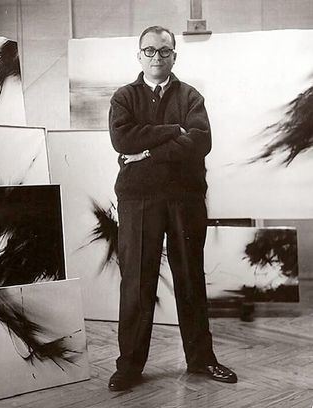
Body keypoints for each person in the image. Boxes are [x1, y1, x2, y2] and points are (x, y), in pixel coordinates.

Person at [108, 25, 237, 391]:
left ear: (174, 56)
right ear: (139, 56)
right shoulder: (123, 97)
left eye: (164, 51)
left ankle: (201, 360)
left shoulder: (192, 96)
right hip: (138, 199)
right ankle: (129, 366)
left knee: (190, 281)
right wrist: (172, 131)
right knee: (136, 283)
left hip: (185, 199)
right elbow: (122, 137)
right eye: (149, 51)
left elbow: (200, 142)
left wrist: (146, 152)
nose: (157, 58)